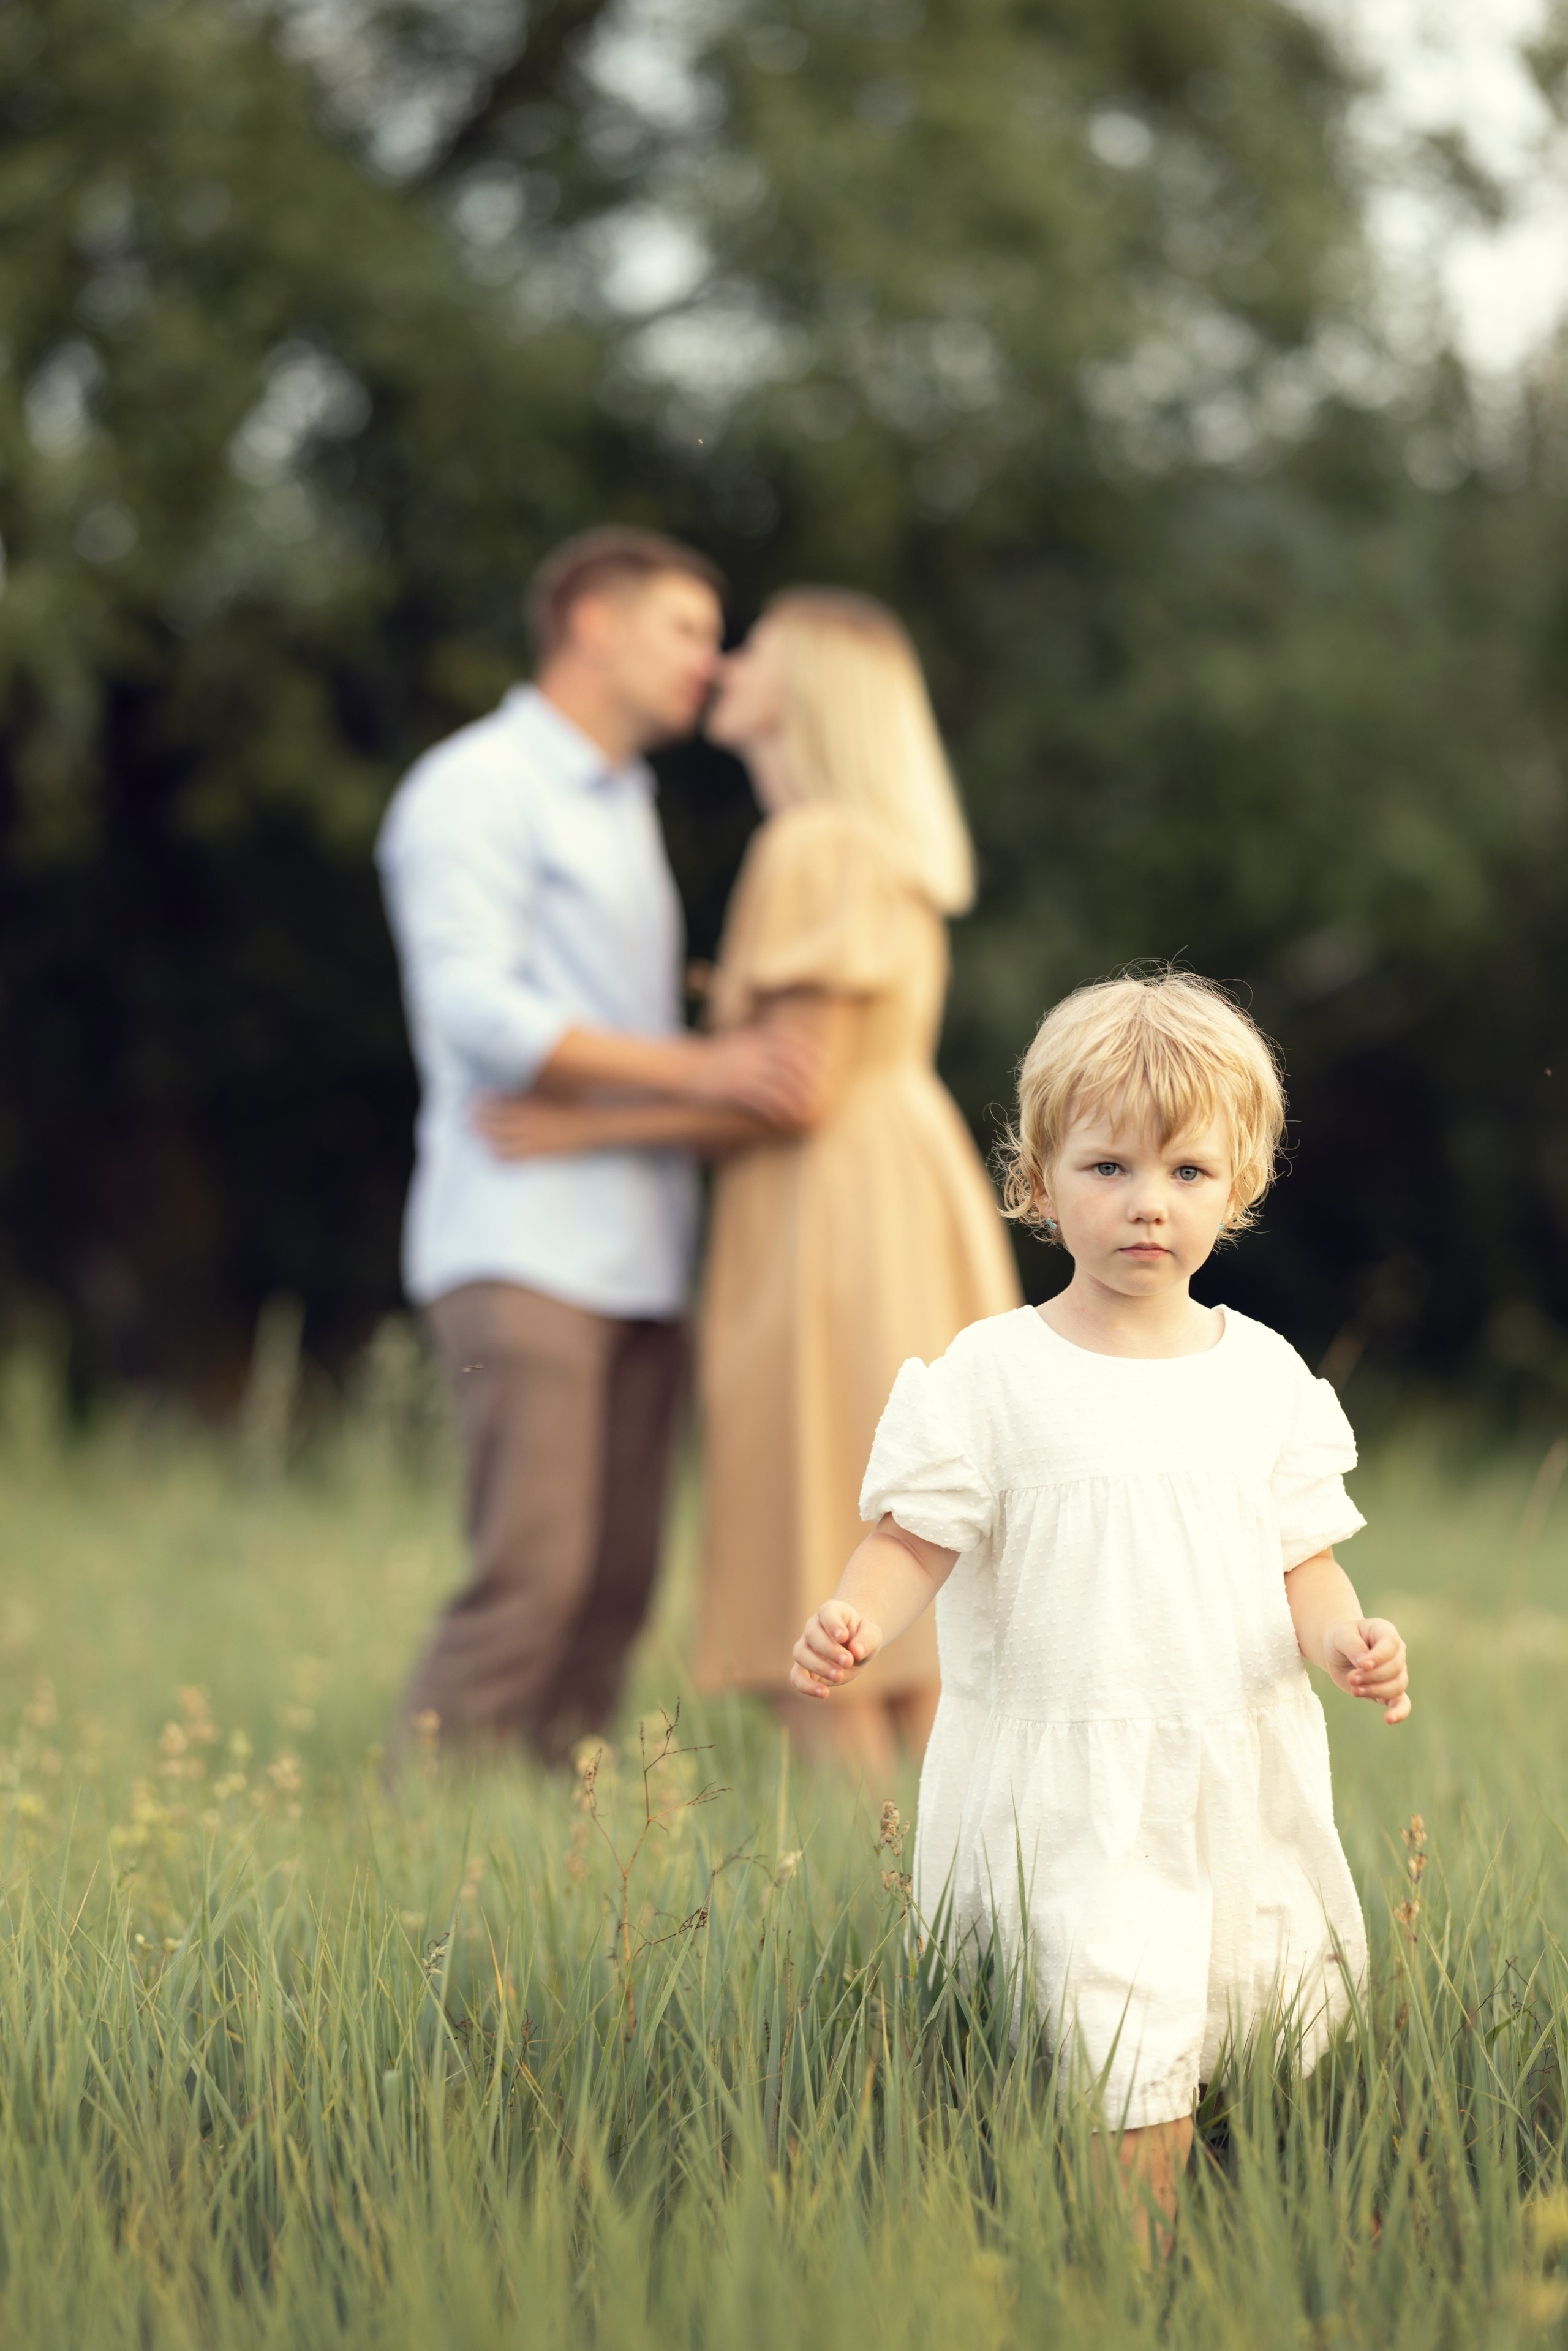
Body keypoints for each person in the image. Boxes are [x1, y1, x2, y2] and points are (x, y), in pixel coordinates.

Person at [789, 970, 1410, 2246]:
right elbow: (912, 1536)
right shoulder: (993, 1375)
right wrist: (858, 1613)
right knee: (1117, 2016)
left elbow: (1303, 1559)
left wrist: (1346, 1637)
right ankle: (1133, 2274)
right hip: (1069, 1767)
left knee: (1226, 2003)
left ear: (1236, 1184)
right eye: (1107, 1165)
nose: (1146, 1202)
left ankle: (1238, 2222)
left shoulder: (1263, 1378)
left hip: (1220, 1751)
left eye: (1187, 1171)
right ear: (1036, 1179)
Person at [479, 589, 1020, 1774]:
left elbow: (793, 1088)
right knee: (905, 1582)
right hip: (891, 1197)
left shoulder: (816, 844)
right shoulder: (876, 848)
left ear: (812, 690)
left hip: (828, 1215)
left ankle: (886, 1929)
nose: (725, 664)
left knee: (820, 1567)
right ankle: (948, 1914)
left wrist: (581, 1127)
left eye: (757, 650)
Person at [375, 527, 814, 1767]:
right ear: (590, 624)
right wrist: (698, 1064)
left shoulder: (624, 800)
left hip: (641, 1246)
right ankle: (420, 1859)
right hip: (518, 1238)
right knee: (532, 1572)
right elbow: (473, 1007)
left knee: (616, 1585)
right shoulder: (476, 785)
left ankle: (551, 1868)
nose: (709, 660)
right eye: (683, 628)